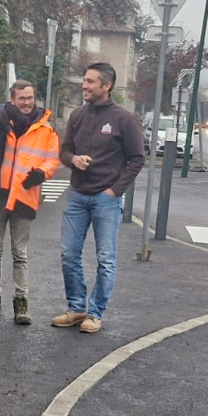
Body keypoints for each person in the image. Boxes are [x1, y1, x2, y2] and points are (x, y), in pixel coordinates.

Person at [51, 62, 144, 334]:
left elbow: (137, 159)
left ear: (107, 86)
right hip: (77, 195)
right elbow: (64, 150)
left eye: (91, 81)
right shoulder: (78, 115)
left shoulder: (124, 119)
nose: (85, 85)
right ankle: (77, 307)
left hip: (106, 198)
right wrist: (73, 159)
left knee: (106, 258)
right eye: (85, 80)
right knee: (69, 255)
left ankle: (95, 313)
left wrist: (115, 190)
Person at [0, 80, 60, 324]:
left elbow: (52, 159)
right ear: (12, 99)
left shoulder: (45, 128)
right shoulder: (0, 121)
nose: (27, 103)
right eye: (22, 98)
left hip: (24, 196)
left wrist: (42, 173)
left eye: (30, 98)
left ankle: (21, 304)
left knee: (19, 254)